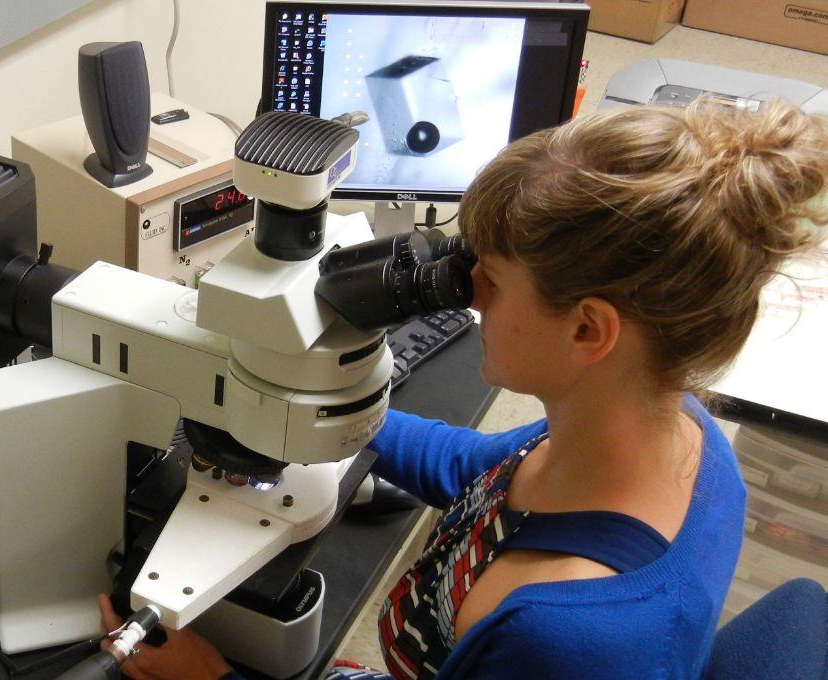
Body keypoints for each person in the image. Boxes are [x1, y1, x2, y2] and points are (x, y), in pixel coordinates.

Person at [100, 99, 828, 679]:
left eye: (495, 279)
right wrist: (302, 402)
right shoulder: (667, 433)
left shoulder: (561, 637)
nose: (468, 291)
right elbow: (481, 471)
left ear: (587, 331)